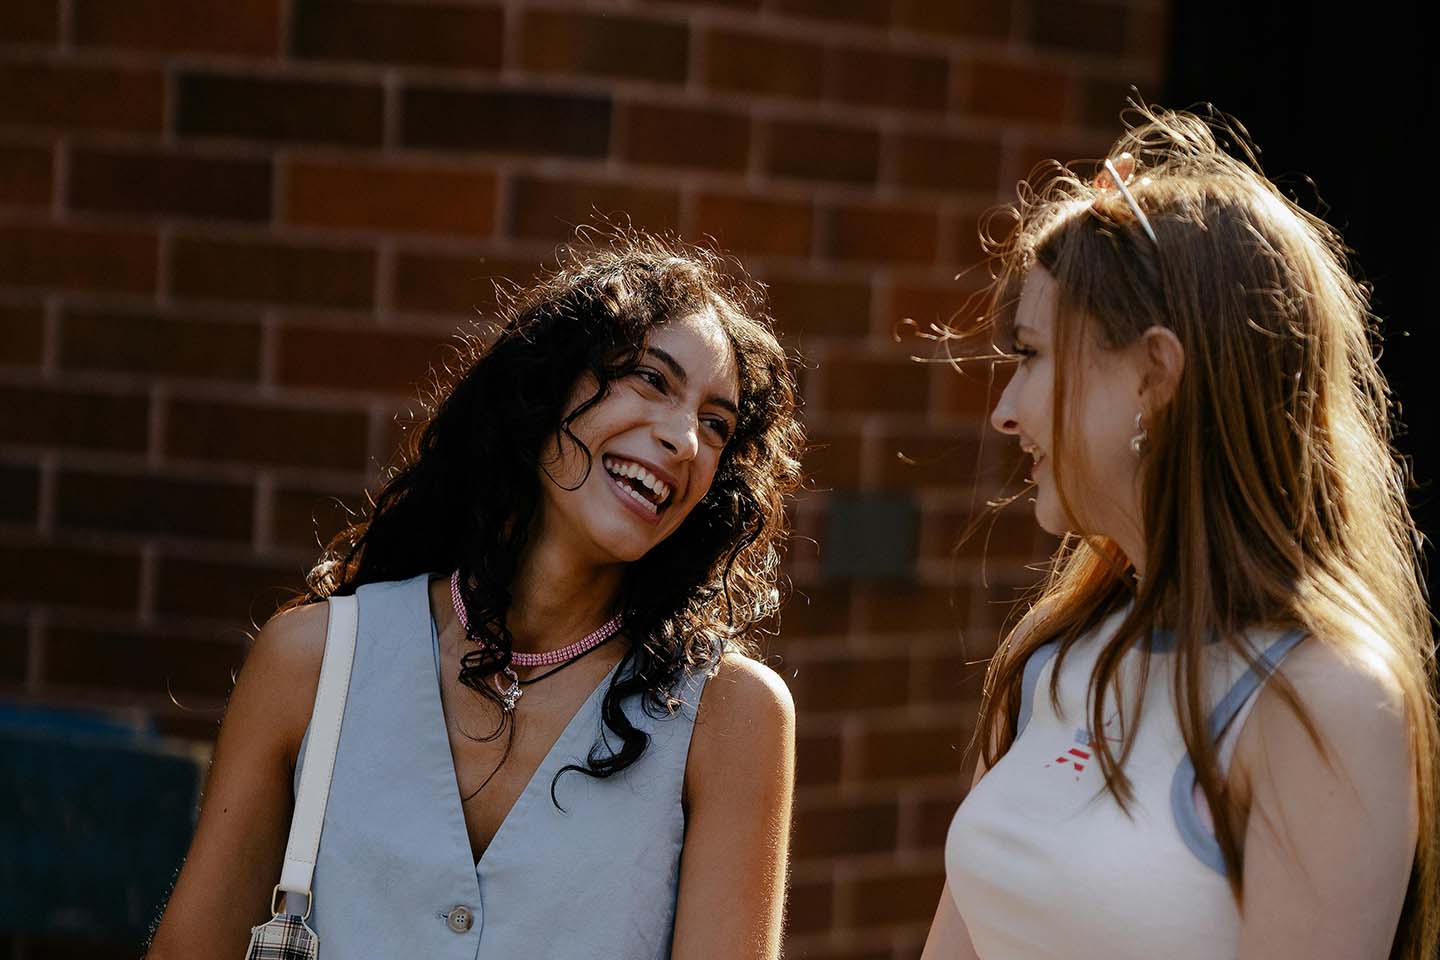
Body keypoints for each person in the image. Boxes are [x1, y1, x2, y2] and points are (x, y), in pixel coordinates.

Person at [147, 232, 804, 959]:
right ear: (548, 385)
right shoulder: (312, 662)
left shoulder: (729, 718)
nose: (685, 439)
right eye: (651, 379)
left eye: (716, 425)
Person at [922, 107, 1438, 959]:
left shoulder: (1324, 701)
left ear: (1154, 378)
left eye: (1033, 355)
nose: (1005, 413)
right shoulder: (1050, 656)